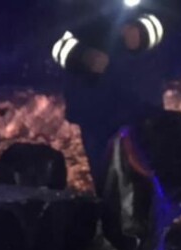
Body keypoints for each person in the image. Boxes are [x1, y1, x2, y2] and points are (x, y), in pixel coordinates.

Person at [50, 0, 167, 192]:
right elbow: (52, 39)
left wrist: (142, 33)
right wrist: (81, 56)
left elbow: (165, 18)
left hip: (141, 102)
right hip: (93, 106)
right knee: (108, 183)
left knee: (152, 180)